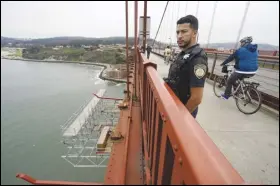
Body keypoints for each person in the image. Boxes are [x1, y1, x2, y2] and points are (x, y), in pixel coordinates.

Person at [163, 15, 208, 118]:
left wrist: (181, 117)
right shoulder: (183, 54)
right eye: (177, 32)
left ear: (194, 33)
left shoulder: (198, 59)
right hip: (175, 106)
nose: (179, 36)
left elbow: (196, 98)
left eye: (184, 32)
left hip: (182, 112)